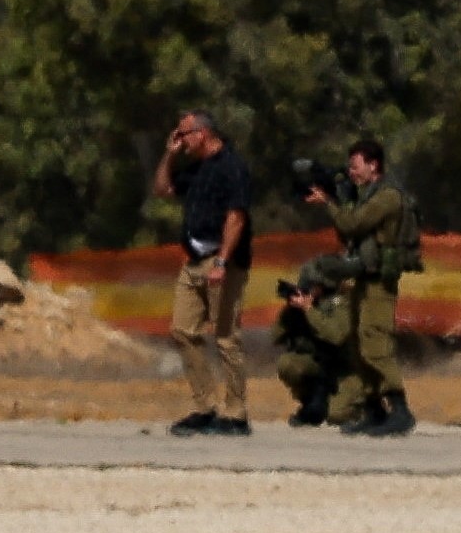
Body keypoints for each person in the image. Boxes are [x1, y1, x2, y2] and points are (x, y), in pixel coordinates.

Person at [304, 136, 418, 437]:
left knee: (375, 343)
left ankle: (400, 409)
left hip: (380, 279)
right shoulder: (365, 195)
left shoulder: (387, 197)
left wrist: (329, 203)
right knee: (357, 343)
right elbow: (351, 234)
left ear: (373, 165)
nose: (352, 172)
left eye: (356, 166)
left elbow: (353, 224)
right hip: (363, 276)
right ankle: (374, 409)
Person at [154, 110, 255, 437]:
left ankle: (236, 413)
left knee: (225, 336)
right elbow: (163, 189)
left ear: (203, 133)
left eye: (184, 135)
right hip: (193, 259)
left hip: (222, 262)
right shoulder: (197, 169)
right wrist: (169, 156)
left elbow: (236, 217)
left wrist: (223, 262)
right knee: (182, 330)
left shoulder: (232, 167)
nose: (180, 140)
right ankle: (205, 407)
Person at [268, 251, 361, 428]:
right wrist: (291, 310)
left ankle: (367, 406)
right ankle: (313, 403)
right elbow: (276, 336)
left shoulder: (344, 301)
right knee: (289, 364)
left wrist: (310, 310)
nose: (308, 287)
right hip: (321, 365)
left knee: (337, 415)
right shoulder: (310, 304)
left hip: (350, 371)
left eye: (312, 284)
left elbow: (336, 335)